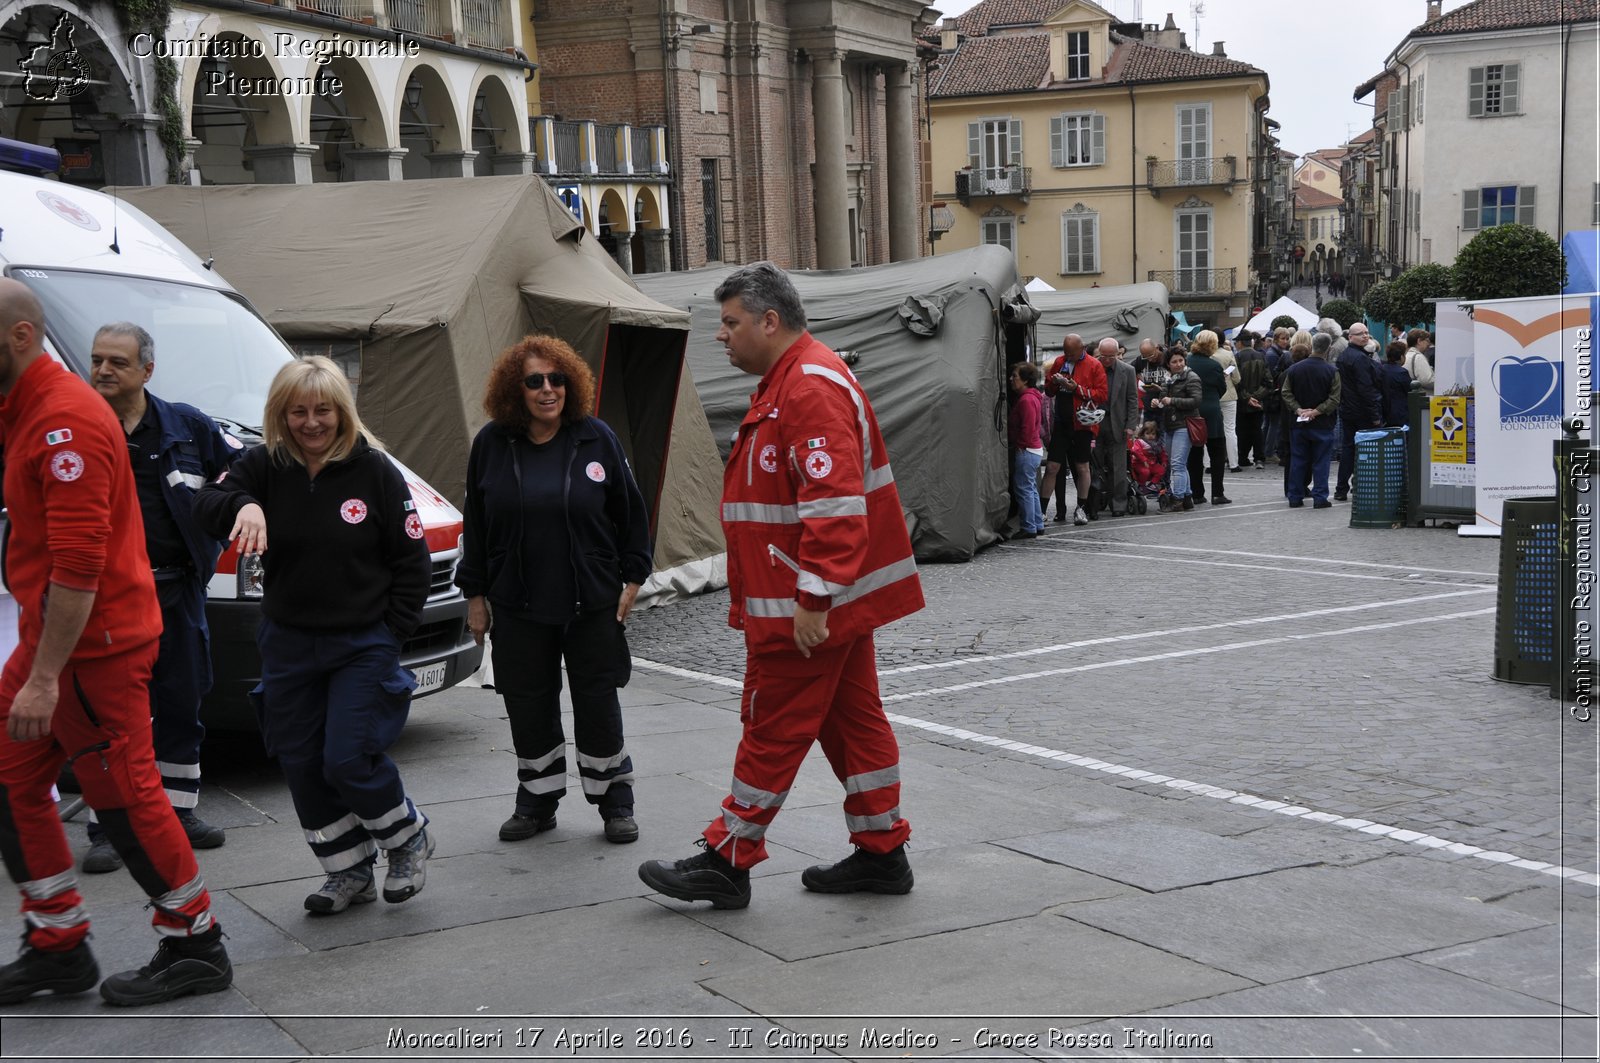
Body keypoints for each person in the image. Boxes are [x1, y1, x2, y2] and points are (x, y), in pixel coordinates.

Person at [637, 262, 924, 909]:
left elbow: (835, 505)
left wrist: (814, 600)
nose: (722, 336)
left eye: (730, 322)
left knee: (772, 726)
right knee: (853, 722)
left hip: (808, 608)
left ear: (770, 321)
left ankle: (727, 856)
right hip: (817, 602)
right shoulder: (792, 380)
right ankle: (882, 851)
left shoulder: (807, 386)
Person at [0, 279, 231, 1007]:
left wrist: (42, 679)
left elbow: (80, 565)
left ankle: (196, 944)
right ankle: (57, 944)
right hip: (58, 642)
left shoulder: (63, 421)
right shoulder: (29, 408)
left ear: (18, 336)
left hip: (90, 651)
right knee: (9, 774)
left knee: (127, 799)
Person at [193, 356, 434, 915]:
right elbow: (206, 502)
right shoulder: (263, 464)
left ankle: (407, 839)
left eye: (322, 410)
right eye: (297, 411)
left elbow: (412, 563)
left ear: (341, 411)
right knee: (300, 761)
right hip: (289, 644)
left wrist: (388, 638)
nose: (311, 422)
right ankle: (347, 870)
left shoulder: (374, 471)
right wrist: (245, 503)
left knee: (347, 758)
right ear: (281, 414)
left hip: (361, 645)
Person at [457, 337, 652, 845]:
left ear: (571, 382)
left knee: (597, 699)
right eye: (535, 381)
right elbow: (475, 526)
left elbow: (631, 514)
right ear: (513, 390)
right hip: (518, 602)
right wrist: (474, 595)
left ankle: (614, 801)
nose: (548, 390)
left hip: (590, 601)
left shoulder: (597, 438)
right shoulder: (493, 445)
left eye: (557, 379)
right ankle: (538, 801)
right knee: (527, 702)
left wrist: (633, 576)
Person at [79, 322, 241, 875]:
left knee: (182, 698)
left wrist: (227, 524)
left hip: (177, 588)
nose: (103, 370)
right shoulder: (75, 424)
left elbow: (231, 480)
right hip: (105, 598)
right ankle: (110, 826)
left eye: (117, 362)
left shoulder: (186, 426)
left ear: (147, 370)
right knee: (112, 714)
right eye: (98, 359)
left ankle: (177, 813)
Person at [1040, 334, 1109, 525]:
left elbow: (1102, 395)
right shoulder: (1059, 362)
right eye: (1066, 352)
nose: (1068, 356)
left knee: (1082, 467)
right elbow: (1048, 390)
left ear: (1082, 348)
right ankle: (1042, 510)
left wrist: (1076, 388)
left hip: (1083, 424)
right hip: (1061, 423)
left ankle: (1081, 508)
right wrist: (1054, 382)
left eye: (1072, 353)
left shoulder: (1094, 365)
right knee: (1052, 466)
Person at [1282, 331, 1342, 508]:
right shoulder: (1332, 371)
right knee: (1321, 462)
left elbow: (1286, 393)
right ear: (1329, 349)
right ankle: (1320, 497)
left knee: (1298, 460)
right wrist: (1316, 411)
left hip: (1298, 423)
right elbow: (1334, 399)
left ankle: (1295, 496)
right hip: (1322, 424)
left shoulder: (1294, 369)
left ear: (1311, 346)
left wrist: (1299, 409)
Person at [1334, 322, 1383, 502]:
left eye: (1366, 333)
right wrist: (1375, 416)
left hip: (1348, 409)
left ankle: (1342, 488)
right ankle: (1360, 485)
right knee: (1364, 449)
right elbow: (1366, 389)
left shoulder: (1344, 356)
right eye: (1360, 333)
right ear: (1350, 337)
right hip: (1361, 410)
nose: (1365, 336)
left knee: (1348, 448)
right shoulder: (1360, 358)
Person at [1092, 337, 1139, 517]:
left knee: (1118, 467)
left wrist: (1130, 425)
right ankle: (1094, 503)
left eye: (1112, 356)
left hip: (1117, 425)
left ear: (1118, 353)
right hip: (1095, 425)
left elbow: (1132, 399)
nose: (1107, 360)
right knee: (1095, 466)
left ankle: (1118, 503)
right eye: (1104, 356)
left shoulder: (1128, 371)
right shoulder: (1092, 367)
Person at [1151, 348, 1201, 510]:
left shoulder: (1191, 377)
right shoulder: (1170, 379)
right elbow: (1163, 399)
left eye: (1180, 360)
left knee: (1177, 464)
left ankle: (1177, 499)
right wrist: (1157, 402)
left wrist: (1172, 401)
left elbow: (1196, 401)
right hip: (1170, 425)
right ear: (1168, 364)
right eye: (1174, 361)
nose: (1178, 364)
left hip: (1184, 425)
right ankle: (1187, 497)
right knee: (1178, 464)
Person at [1186, 331, 1231, 505]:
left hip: (1193, 412)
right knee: (1217, 454)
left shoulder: (1187, 362)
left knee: (1195, 454)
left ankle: (1197, 493)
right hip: (1212, 412)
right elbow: (1222, 388)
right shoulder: (1214, 365)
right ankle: (1218, 493)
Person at [1007, 361, 1045, 538]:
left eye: (1015, 376)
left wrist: (1021, 446)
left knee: (1024, 489)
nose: (1011, 379)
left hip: (1027, 450)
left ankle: (1029, 526)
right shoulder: (1033, 397)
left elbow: (1028, 428)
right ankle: (1037, 523)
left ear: (1025, 380)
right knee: (1030, 488)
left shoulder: (1026, 400)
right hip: (1033, 449)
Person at [1234, 331, 1268, 469]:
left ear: (1240, 343)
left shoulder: (1237, 357)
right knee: (1257, 429)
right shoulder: (1261, 356)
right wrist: (1257, 397)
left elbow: (1236, 381)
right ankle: (1259, 458)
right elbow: (1268, 381)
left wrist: (1247, 398)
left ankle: (1242, 457)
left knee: (1242, 431)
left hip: (1242, 401)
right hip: (1258, 401)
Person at [1214, 335, 1240, 472]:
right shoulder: (1229, 354)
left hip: (1212, 396)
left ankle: (1208, 464)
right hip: (1229, 395)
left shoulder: (1207, 355)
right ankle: (1234, 463)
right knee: (1230, 430)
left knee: (1210, 429)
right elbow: (1236, 378)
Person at [1128, 419, 1169, 507]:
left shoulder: (1157, 444)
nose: (1150, 436)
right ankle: (1142, 485)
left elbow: (1162, 453)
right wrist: (1144, 460)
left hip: (1151, 463)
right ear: (1143, 434)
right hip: (1139, 463)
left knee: (1161, 470)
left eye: (1153, 434)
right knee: (1145, 472)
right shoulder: (1139, 442)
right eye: (1148, 433)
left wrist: (1164, 461)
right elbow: (1136, 451)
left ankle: (1152, 484)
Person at [1379, 341, 1413, 427]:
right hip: (1400, 413)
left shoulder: (1381, 369)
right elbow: (1410, 391)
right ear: (1401, 357)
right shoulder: (1402, 372)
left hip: (1384, 412)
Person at [1404, 329, 1436, 393]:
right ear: (1419, 341)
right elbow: (1427, 381)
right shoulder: (1418, 357)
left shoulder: (1407, 355)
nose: (1428, 344)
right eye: (1427, 341)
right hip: (1422, 397)